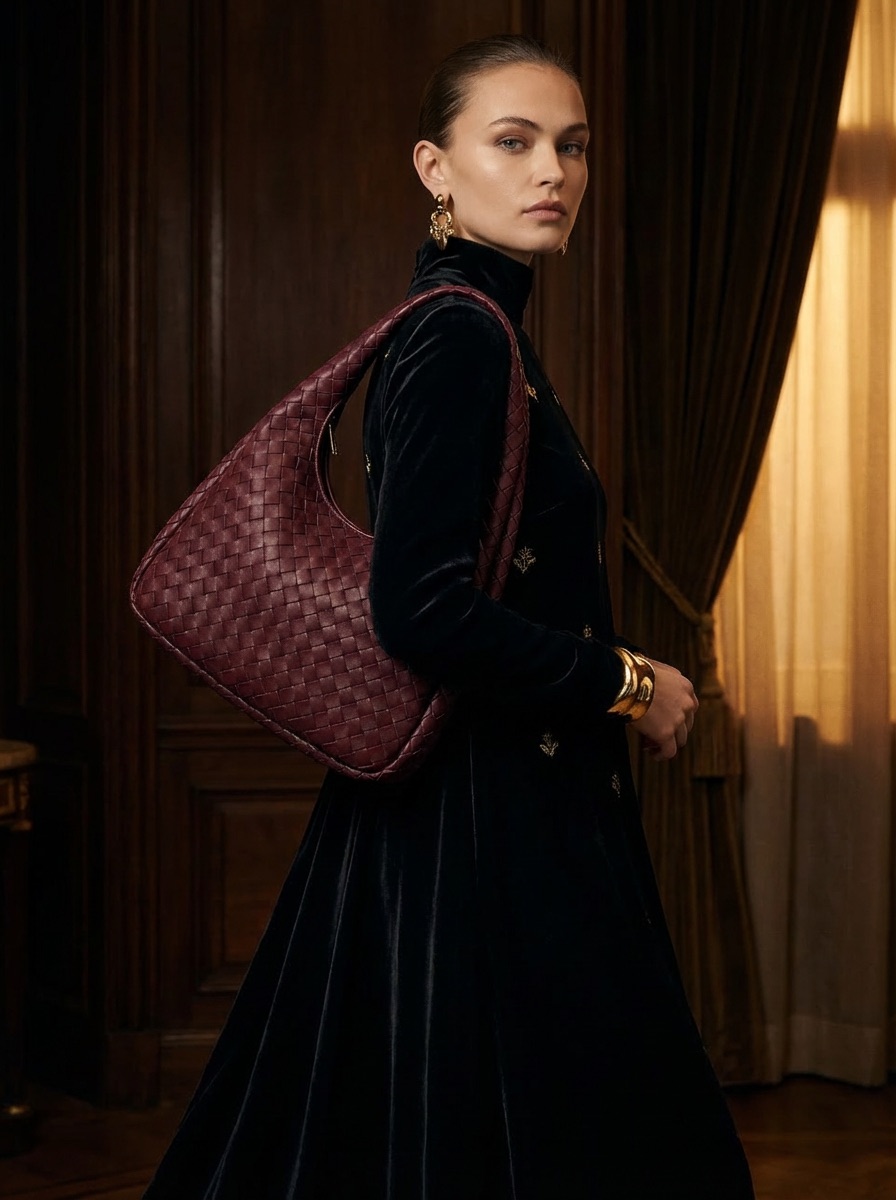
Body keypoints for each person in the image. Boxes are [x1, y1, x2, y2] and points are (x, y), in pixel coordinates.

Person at [144, 34, 755, 1200]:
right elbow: (420, 614)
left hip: (494, 807)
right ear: (435, 167)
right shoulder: (459, 336)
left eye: (570, 147)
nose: (553, 174)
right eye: (513, 142)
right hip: (484, 824)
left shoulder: (483, 327)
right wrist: (629, 681)